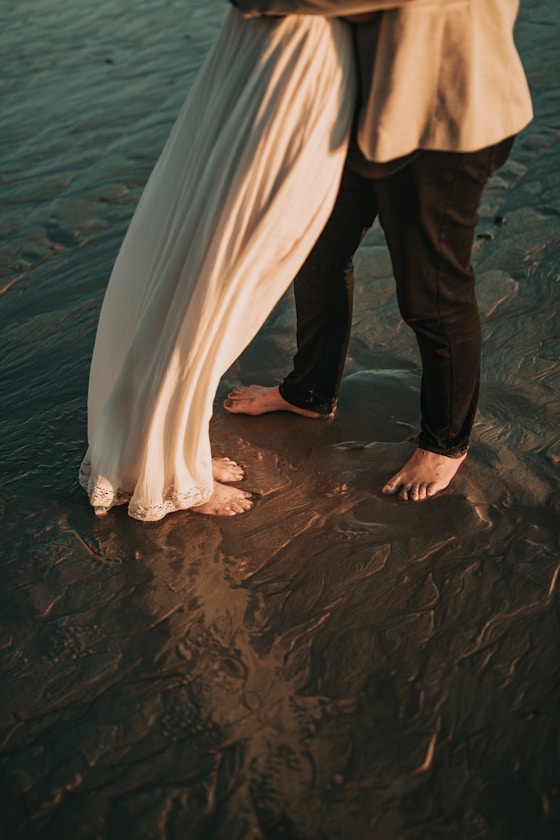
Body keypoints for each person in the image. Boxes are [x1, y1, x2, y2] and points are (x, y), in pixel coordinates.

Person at [225, 0, 533, 501]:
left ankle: (445, 444)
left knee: (430, 294)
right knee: (317, 255)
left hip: (444, 111)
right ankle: (309, 391)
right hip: (369, 108)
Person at [79, 9, 358, 520]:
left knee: (210, 263)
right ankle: (163, 463)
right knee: (216, 272)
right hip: (287, 63)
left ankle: (169, 446)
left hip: (283, 57)